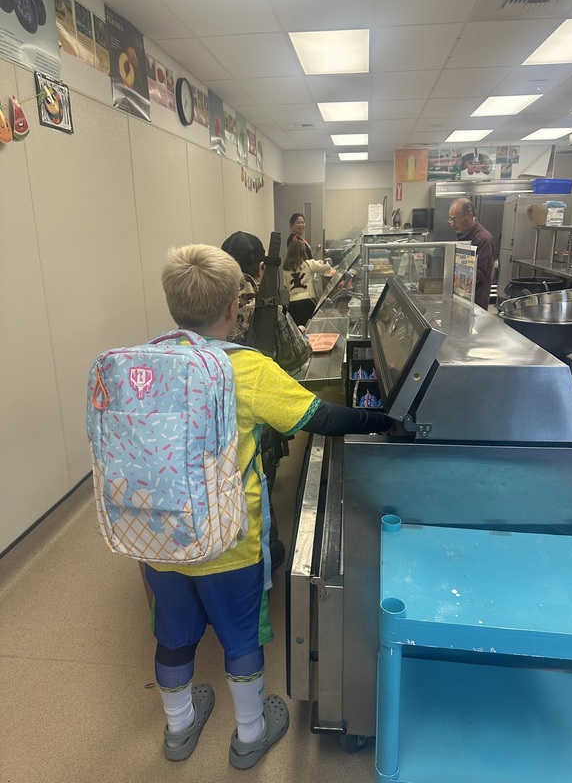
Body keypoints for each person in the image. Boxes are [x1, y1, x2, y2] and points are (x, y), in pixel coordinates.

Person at [146, 243, 393, 769]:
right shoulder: (244, 369)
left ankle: (179, 727)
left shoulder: (144, 363)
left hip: (159, 538)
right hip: (230, 541)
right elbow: (316, 418)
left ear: (172, 305)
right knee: (240, 639)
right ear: (235, 307)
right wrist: (382, 421)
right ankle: (251, 734)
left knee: (172, 636)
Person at [221, 230, 303, 571]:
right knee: (259, 478)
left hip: (211, 409)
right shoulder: (265, 302)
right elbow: (296, 356)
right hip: (257, 413)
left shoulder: (206, 299)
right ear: (260, 266)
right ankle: (263, 552)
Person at [448, 197, 494, 311]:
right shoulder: (464, 234)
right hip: (462, 299)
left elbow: (480, 274)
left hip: (475, 302)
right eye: (450, 219)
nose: (452, 224)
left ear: (469, 216)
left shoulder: (483, 239)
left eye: (456, 219)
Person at [283, 235, 333, 326]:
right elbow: (327, 266)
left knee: (297, 331)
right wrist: (328, 261)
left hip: (293, 304)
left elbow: (286, 286)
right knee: (309, 329)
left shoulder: (285, 269)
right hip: (308, 302)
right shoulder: (309, 264)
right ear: (302, 252)